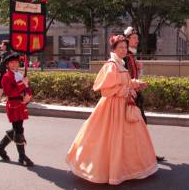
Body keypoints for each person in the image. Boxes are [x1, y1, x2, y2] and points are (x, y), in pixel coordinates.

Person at [66, 35, 158, 185]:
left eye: (125, 47)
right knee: (109, 138)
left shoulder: (120, 64)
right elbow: (106, 90)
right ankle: (108, 171)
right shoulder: (111, 65)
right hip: (112, 108)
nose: (123, 50)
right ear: (114, 49)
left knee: (126, 138)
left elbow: (123, 82)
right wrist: (126, 91)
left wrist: (135, 84)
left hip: (123, 105)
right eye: (120, 47)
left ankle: (124, 170)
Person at [123, 26, 165, 162]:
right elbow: (123, 78)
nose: (137, 41)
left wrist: (138, 70)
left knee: (141, 124)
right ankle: (140, 155)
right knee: (134, 125)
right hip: (128, 96)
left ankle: (146, 153)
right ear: (127, 40)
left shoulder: (131, 55)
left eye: (137, 39)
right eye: (134, 38)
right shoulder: (124, 56)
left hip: (135, 94)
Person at [0, 53, 34, 167]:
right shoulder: (6, 77)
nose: (14, 64)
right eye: (12, 62)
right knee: (19, 130)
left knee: (16, 129)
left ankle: (0, 148)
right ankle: (22, 156)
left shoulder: (19, 75)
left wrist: (28, 97)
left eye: (16, 62)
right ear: (7, 64)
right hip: (13, 105)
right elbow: (10, 92)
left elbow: (27, 89)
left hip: (21, 104)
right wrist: (23, 83)